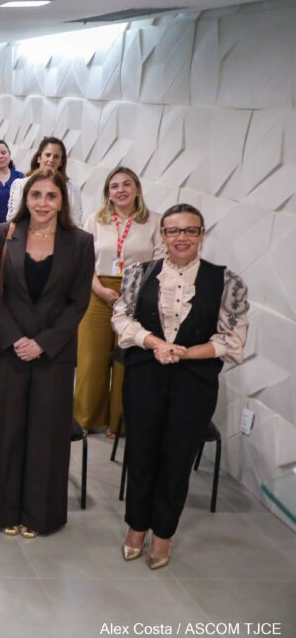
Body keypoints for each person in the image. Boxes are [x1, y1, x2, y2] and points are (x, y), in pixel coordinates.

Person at [113, 204, 248, 570]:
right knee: (141, 452)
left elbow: (232, 339)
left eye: (190, 230)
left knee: (177, 458)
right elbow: (122, 319)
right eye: (173, 230)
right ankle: (136, 526)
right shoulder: (139, 273)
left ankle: (164, 533)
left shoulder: (227, 281)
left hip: (194, 381)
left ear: (202, 234)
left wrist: (186, 353)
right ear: (163, 235)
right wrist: (156, 343)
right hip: (145, 374)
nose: (181, 237)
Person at [0, 168, 94, 538]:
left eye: (51, 196)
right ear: (25, 199)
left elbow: (78, 302)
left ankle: (39, 516)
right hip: (8, 349)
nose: (43, 203)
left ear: (62, 201)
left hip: (53, 354)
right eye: (36, 195)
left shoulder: (80, 242)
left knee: (47, 436)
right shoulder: (2, 234)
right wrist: (16, 338)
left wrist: (43, 342)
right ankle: (1, 511)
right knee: (5, 432)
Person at [75, 168, 163, 436]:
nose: (121, 190)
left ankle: (120, 424)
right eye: (114, 186)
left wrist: (134, 293)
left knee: (127, 362)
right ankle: (85, 420)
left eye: (126, 184)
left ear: (137, 189)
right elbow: (83, 260)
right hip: (98, 290)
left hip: (138, 295)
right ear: (108, 193)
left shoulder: (154, 221)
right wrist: (101, 290)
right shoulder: (95, 220)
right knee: (91, 360)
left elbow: (159, 262)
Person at [5, 136, 85, 225]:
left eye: (56, 157)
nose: (51, 160)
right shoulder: (20, 185)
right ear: (39, 158)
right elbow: (13, 220)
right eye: (48, 155)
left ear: (61, 162)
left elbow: (75, 223)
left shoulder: (72, 189)